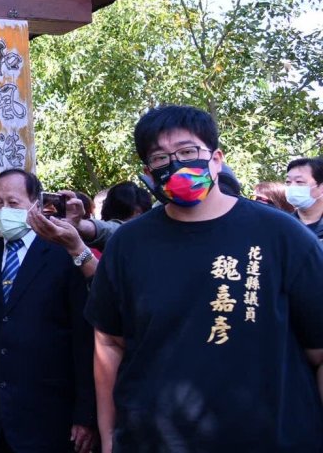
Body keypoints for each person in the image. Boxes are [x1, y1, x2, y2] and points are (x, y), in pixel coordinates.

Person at [86, 105, 323, 451]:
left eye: (187, 152)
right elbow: (108, 342)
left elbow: (319, 350)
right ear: (148, 173)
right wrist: (108, 438)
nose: (177, 165)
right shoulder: (128, 243)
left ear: (216, 159)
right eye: (161, 158)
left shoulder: (282, 235)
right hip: (154, 441)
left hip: (268, 439)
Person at [0, 169, 96, 453]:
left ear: (36, 204)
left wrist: (85, 413)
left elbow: (83, 339)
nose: (3, 210)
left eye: (13, 203)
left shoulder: (64, 255)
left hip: (48, 414)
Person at [285, 156, 323, 238]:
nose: (292, 187)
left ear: (321, 187)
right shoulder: (283, 225)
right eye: (288, 182)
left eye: (299, 181)